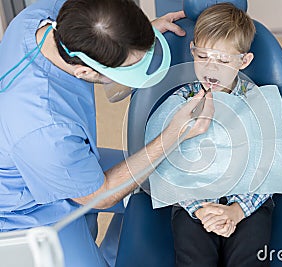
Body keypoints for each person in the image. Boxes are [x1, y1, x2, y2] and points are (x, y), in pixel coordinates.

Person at [0, 0, 213, 266]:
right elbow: (101, 195)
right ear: (85, 71)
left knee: (159, 178)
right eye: (130, 68)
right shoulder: (46, 126)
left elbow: (104, 23)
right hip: (26, 208)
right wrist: (173, 135)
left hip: (63, 159)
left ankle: (116, 253)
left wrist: (133, 38)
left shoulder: (44, 15)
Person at [146, 3, 274, 267]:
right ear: (192, 50)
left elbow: (272, 165)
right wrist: (201, 210)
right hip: (193, 204)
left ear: (244, 60)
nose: (211, 69)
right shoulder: (180, 102)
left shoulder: (260, 102)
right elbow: (167, 165)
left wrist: (237, 212)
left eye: (223, 61)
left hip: (249, 204)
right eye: (202, 57)